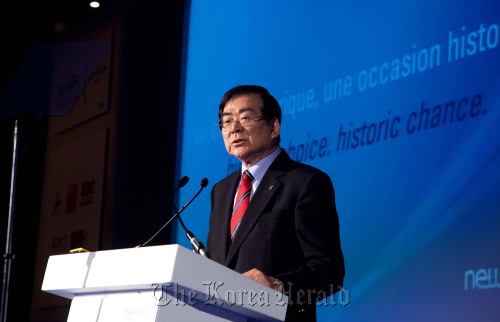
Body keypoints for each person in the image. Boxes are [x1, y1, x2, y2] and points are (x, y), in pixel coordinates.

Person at [206, 85, 345, 321]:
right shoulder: (221, 191)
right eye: (227, 122)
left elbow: (329, 270)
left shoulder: (305, 182)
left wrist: (279, 285)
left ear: (274, 126)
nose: (234, 128)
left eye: (246, 117)